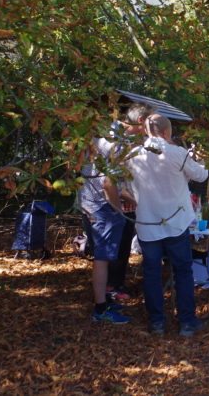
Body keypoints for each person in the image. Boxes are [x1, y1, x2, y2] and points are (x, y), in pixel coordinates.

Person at [127, 114, 209, 336]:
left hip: (148, 220)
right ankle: (187, 322)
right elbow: (201, 176)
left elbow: (123, 183)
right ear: (166, 132)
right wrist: (198, 160)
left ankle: (157, 322)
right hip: (176, 221)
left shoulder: (133, 154)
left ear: (147, 131)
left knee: (152, 273)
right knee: (183, 271)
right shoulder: (176, 152)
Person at [107, 102, 157, 302]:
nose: (150, 127)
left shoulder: (129, 138)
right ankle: (111, 288)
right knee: (116, 248)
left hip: (128, 203)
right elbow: (110, 180)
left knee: (124, 246)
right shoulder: (116, 138)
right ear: (140, 120)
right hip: (115, 205)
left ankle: (117, 284)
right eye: (149, 122)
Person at [79, 135, 128, 324]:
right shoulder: (114, 144)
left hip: (90, 204)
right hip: (102, 208)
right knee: (102, 259)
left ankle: (105, 301)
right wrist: (119, 211)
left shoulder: (96, 140)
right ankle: (100, 309)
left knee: (104, 258)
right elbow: (108, 184)